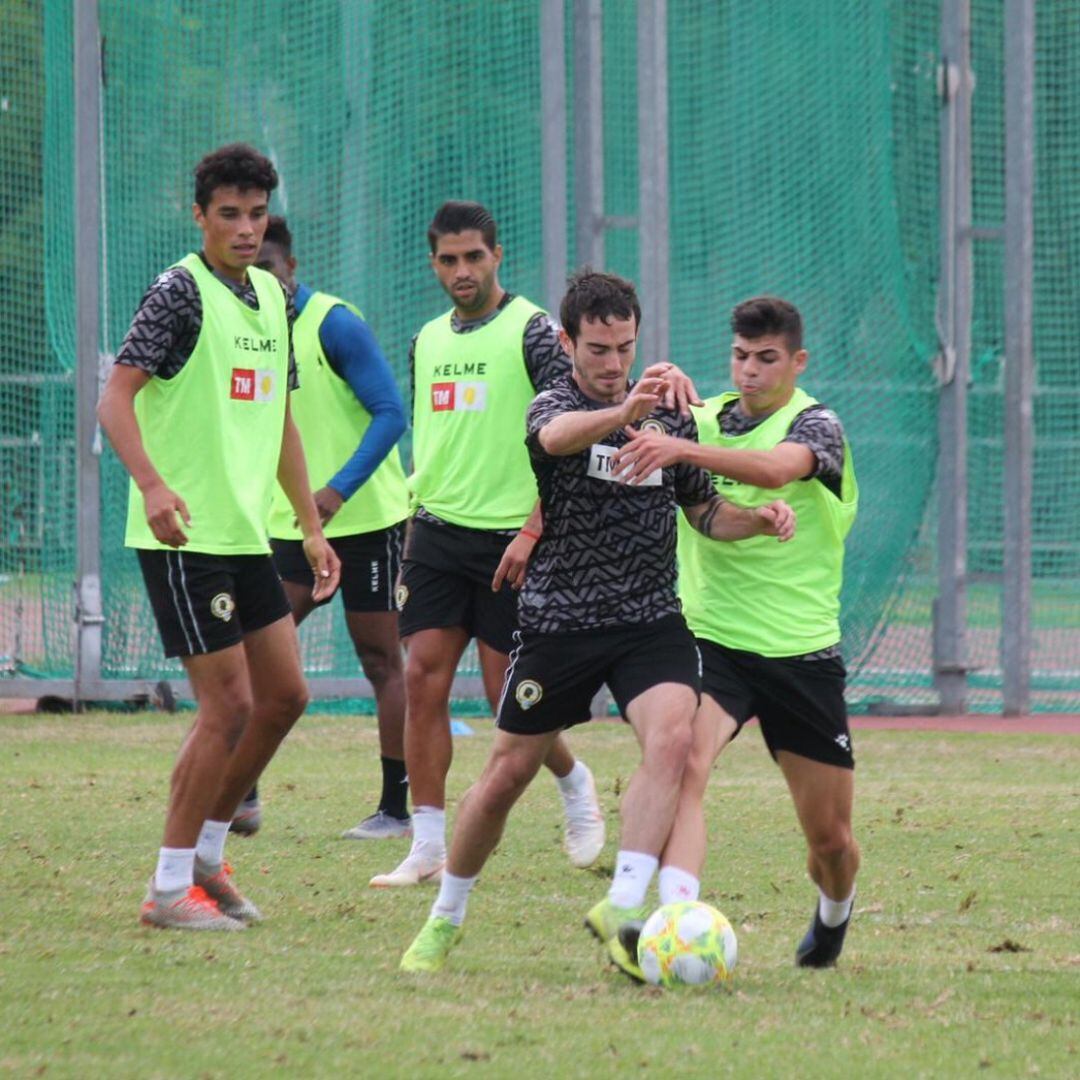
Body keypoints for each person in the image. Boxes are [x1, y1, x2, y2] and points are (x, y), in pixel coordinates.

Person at [399, 270, 795, 974]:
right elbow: (556, 439)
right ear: (566, 342)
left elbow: (704, 512)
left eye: (625, 348)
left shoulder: (669, 415)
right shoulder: (554, 403)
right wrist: (625, 413)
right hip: (560, 624)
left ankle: (624, 902)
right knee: (504, 779)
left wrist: (758, 522)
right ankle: (447, 914)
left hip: (651, 622)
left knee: (673, 738)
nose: (614, 366)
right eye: (598, 350)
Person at [97, 144, 341, 931]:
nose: (244, 228)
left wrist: (309, 528)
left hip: (246, 534)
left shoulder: (272, 296)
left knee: (285, 696)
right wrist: (153, 485)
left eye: (255, 213)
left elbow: (280, 426)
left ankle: (205, 856)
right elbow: (116, 400)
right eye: (228, 214)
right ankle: (168, 892)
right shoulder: (178, 293)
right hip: (184, 535)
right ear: (198, 214)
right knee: (227, 704)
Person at [612, 295, 860, 968]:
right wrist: (648, 380)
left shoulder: (818, 426)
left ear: (796, 361)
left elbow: (778, 468)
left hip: (800, 653)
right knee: (684, 763)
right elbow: (625, 421)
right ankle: (670, 920)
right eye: (741, 357)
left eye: (767, 359)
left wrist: (683, 445)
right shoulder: (702, 417)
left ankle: (835, 911)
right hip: (711, 640)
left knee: (831, 841)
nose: (750, 372)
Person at [370, 201, 609, 888]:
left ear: (497, 256)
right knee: (421, 679)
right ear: (433, 264)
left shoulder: (533, 331)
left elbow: (569, 430)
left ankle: (573, 780)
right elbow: (438, 442)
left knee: (511, 696)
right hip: (437, 533)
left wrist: (537, 526)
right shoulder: (426, 340)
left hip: (514, 539)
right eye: (449, 259)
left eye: (474, 256)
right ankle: (426, 843)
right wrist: (414, 524)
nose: (462, 270)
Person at [230, 215, 412, 841]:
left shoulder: (333, 323)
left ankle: (395, 807)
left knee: (381, 659)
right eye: (252, 274)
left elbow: (392, 413)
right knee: (261, 654)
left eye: (272, 271)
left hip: (365, 521)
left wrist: (336, 493)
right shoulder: (242, 328)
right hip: (287, 525)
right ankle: (243, 795)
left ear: (292, 269)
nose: (263, 283)